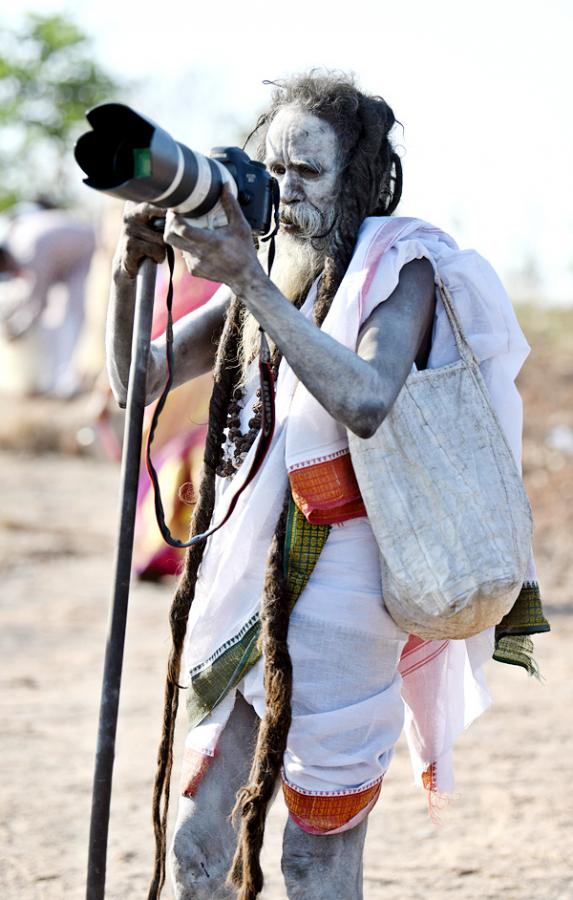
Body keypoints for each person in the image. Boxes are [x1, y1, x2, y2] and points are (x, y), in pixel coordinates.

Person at [106, 73, 549, 900]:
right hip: (245, 587)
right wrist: (130, 271)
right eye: (273, 170)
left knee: (314, 858)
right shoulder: (272, 271)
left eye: (306, 172)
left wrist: (249, 281)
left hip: (350, 587)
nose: (284, 190)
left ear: (360, 178)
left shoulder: (403, 263)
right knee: (197, 847)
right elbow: (139, 381)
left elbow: (367, 399)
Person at [0, 201, 95, 397]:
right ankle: (58, 379)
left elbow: (37, 302)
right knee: (57, 319)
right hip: (68, 258)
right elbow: (25, 293)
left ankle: (69, 382)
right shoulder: (15, 241)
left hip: (86, 253)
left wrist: (17, 328)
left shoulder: (29, 251)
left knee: (71, 318)